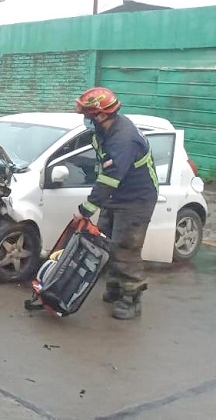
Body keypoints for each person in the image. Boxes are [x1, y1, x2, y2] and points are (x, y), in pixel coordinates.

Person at [73, 87, 158, 320]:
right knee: (107, 242)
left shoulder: (123, 138)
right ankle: (115, 287)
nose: (85, 120)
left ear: (101, 115)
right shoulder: (105, 130)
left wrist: (86, 209)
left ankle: (132, 297)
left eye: (88, 116)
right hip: (115, 196)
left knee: (126, 248)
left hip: (136, 200)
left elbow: (110, 177)